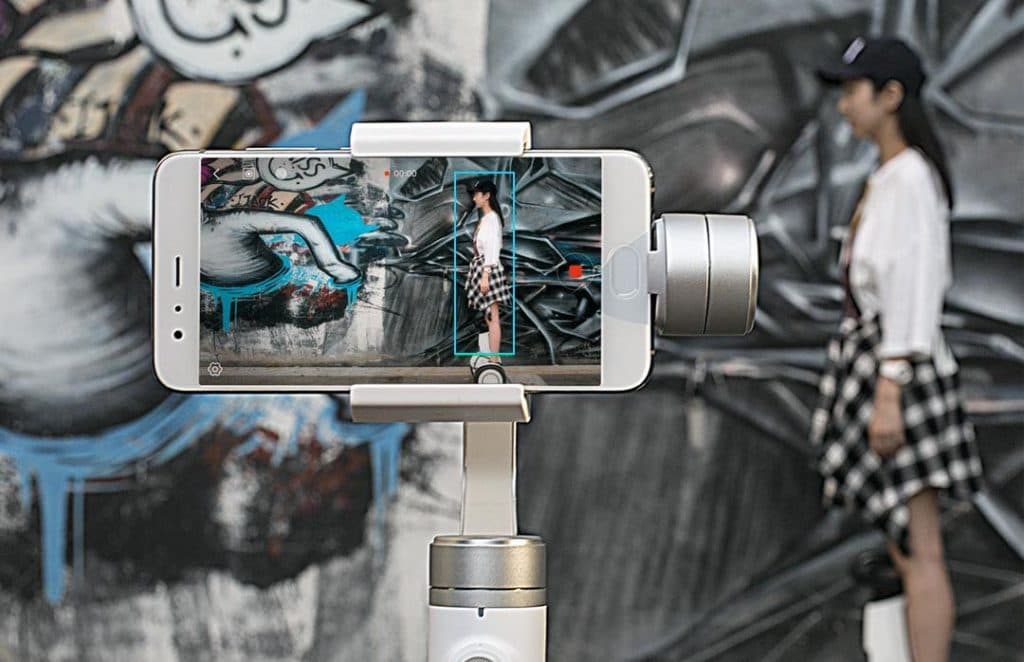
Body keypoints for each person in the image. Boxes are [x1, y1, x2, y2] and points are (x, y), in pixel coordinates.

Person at [810, 37, 984, 662]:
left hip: (902, 373)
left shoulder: (910, 176)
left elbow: (915, 285)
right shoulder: (891, 175)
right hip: (888, 364)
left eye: (853, 92)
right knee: (905, 543)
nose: (844, 106)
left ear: (891, 96)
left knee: (920, 548)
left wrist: (890, 387)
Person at [465, 179, 512, 363]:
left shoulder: (492, 219)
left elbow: (492, 248)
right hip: (484, 267)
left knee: (493, 315)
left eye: (477, 194)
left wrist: (485, 275)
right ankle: (492, 357)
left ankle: (493, 360)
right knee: (489, 315)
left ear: (486, 196)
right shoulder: (487, 218)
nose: (474, 198)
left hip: (488, 269)